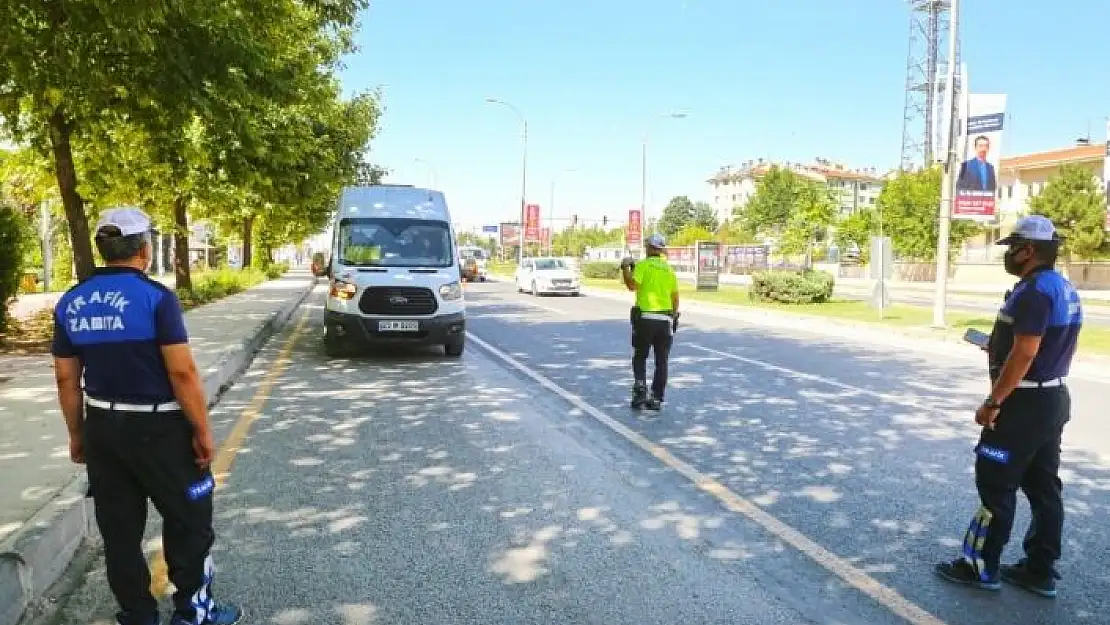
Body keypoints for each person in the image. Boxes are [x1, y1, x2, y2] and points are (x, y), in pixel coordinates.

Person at [50, 207, 243, 625]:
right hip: (161, 430)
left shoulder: (70, 302)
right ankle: (194, 612)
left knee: (119, 531)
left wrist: (77, 434)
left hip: (103, 428)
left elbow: (66, 379)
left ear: (103, 249)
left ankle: (137, 616)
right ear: (144, 249)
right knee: (189, 518)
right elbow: (182, 371)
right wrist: (202, 430)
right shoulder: (157, 299)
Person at [935, 215, 1082, 599]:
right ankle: (1040, 570)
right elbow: (1042, 346)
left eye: (1012, 247)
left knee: (996, 482)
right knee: (1043, 487)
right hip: (1051, 400)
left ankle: (980, 567)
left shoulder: (1033, 291)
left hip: (1021, 406)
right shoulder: (1061, 286)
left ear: (1028, 250)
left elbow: (1026, 353)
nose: (1009, 254)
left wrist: (993, 401)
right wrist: (996, 347)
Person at [620, 233, 680, 411]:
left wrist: (625, 268)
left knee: (640, 356)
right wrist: (674, 316)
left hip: (645, 319)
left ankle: (640, 391)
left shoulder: (643, 265)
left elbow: (632, 285)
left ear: (648, 248)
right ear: (660, 250)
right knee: (662, 361)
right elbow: (675, 298)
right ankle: (656, 398)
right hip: (665, 320)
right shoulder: (669, 270)